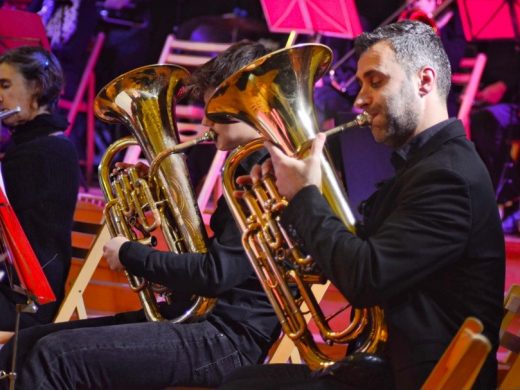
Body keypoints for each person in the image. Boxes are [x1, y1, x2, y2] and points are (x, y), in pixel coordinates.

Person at [221, 21, 505, 389]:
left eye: (376, 81)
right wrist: (287, 200)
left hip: (414, 377)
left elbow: (364, 277)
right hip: (393, 365)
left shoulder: (448, 177)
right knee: (243, 380)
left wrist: (305, 195)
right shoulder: (426, 166)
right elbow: (357, 252)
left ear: (424, 81)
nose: (359, 99)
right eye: (361, 84)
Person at [0, 41, 281, 390]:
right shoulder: (246, 165)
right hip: (200, 321)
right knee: (22, 346)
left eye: (217, 107)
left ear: (249, 104)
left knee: (52, 356)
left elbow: (214, 274)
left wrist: (131, 254)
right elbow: (220, 265)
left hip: (225, 340)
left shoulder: (264, 173)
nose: (206, 119)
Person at [0, 46, 79, 331]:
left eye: (5, 85)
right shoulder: (29, 146)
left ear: (36, 87)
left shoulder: (44, 152)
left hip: (24, 300)